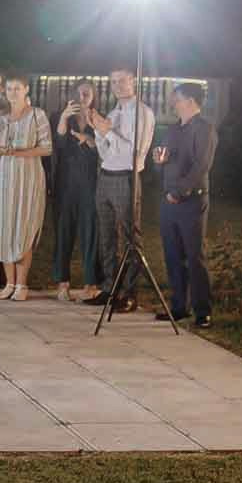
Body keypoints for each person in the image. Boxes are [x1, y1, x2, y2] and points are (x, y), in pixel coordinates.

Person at [80, 67, 154, 310]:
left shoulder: (142, 113)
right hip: (106, 177)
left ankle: (130, 294)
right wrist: (99, 132)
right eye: (113, 81)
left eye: (123, 81)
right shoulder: (114, 111)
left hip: (126, 177)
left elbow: (133, 152)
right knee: (106, 236)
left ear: (134, 81)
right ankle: (109, 288)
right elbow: (104, 151)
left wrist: (106, 131)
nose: (118, 85)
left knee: (131, 237)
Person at [153, 81, 218, 326]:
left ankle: (203, 311)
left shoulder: (205, 129)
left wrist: (179, 192)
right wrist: (159, 163)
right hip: (168, 200)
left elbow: (201, 166)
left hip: (191, 200)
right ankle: (179, 306)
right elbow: (164, 162)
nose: (173, 103)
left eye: (176, 98)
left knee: (194, 255)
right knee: (172, 254)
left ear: (190, 101)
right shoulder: (173, 130)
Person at [0, 76, 52, 300]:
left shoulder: (37, 115)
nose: (12, 92)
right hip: (2, 177)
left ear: (26, 89)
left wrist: (19, 153)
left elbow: (46, 148)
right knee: (4, 225)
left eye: (17, 88)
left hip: (27, 176)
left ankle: (22, 284)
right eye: (9, 88)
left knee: (23, 225)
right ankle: (9, 282)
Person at [49, 80, 102, 301]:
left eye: (87, 94)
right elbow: (58, 143)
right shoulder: (61, 118)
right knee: (64, 233)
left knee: (90, 233)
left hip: (91, 184)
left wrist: (89, 138)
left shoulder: (98, 119)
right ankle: (63, 283)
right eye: (79, 93)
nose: (83, 97)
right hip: (65, 184)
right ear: (73, 95)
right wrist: (63, 117)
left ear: (93, 97)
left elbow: (106, 146)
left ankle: (90, 283)